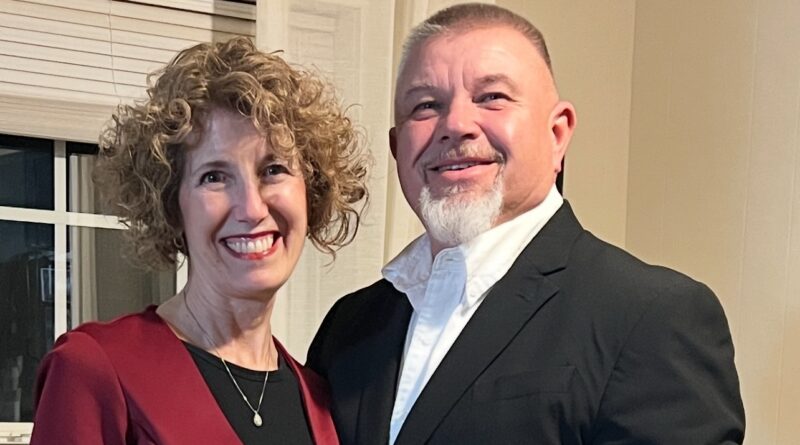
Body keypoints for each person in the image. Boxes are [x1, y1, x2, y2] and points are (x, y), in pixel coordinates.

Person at [306, 4, 745, 444]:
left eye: (491, 97)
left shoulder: (651, 317)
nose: (455, 124)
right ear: (397, 147)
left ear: (557, 134)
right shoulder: (348, 328)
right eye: (426, 106)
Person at [30, 37, 368, 444]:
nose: (251, 208)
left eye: (273, 169)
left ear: (310, 191)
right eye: (214, 176)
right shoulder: (95, 370)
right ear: (171, 205)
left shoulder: (320, 401)